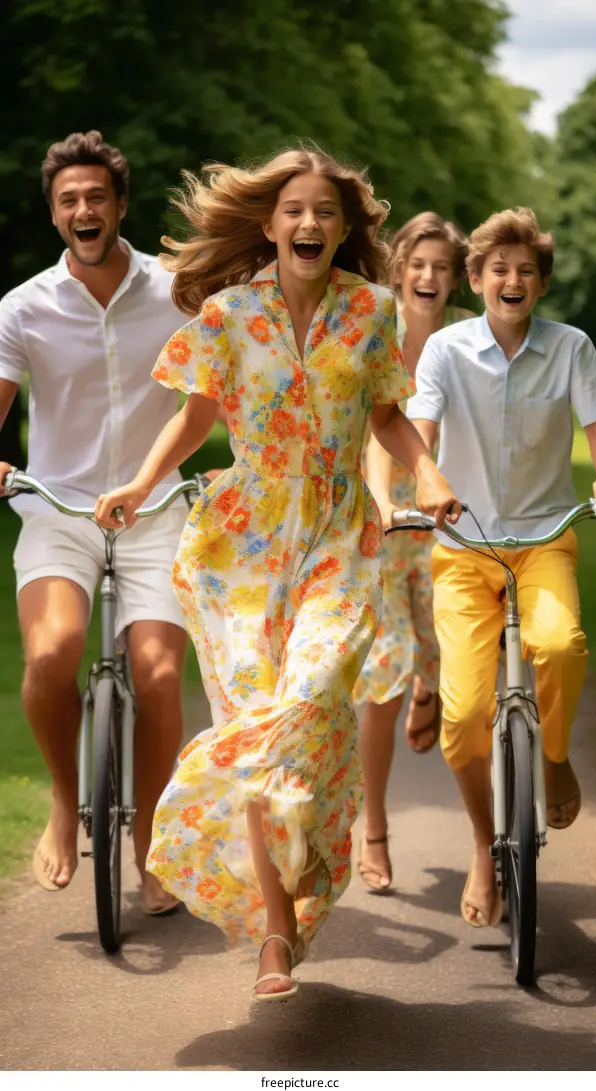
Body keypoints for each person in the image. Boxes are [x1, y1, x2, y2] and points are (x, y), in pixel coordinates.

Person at [95, 146, 458, 1000]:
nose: (310, 223)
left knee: (311, 699)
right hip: (240, 550)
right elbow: (196, 417)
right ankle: (275, 931)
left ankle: (255, 826)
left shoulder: (372, 310)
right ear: (269, 224)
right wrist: (144, 482)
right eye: (294, 210)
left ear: (343, 228)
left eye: (326, 212)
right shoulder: (227, 316)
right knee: (262, 723)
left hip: (337, 536)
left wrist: (429, 473)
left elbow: (388, 416)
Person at [0, 131, 190, 914]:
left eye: (96, 197)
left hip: (157, 510)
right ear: (54, 215)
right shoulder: (23, 307)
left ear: (120, 206)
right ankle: (60, 801)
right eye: (69, 200)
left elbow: (222, 386)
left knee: (160, 674)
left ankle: (150, 841)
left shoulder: (180, 290)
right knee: (51, 651)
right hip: (60, 505)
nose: (85, 210)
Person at [406, 207, 596, 928]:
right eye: (498, 270)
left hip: (545, 538)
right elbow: (420, 428)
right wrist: (426, 476)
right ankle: (486, 848)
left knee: (558, 645)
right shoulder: (446, 352)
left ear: (540, 283)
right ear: (478, 279)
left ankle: (551, 757)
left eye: (525, 271)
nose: (511, 280)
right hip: (464, 548)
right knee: (461, 720)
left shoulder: (573, 349)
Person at [354, 213, 474, 893]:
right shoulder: (377, 327)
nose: (428, 277)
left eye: (441, 267)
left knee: (450, 662)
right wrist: (377, 503)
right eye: (417, 264)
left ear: (454, 277)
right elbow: (378, 425)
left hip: (445, 512)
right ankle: (374, 827)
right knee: (383, 675)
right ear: (398, 268)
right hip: (384, 516)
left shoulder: (464, 335)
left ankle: (429, 685)